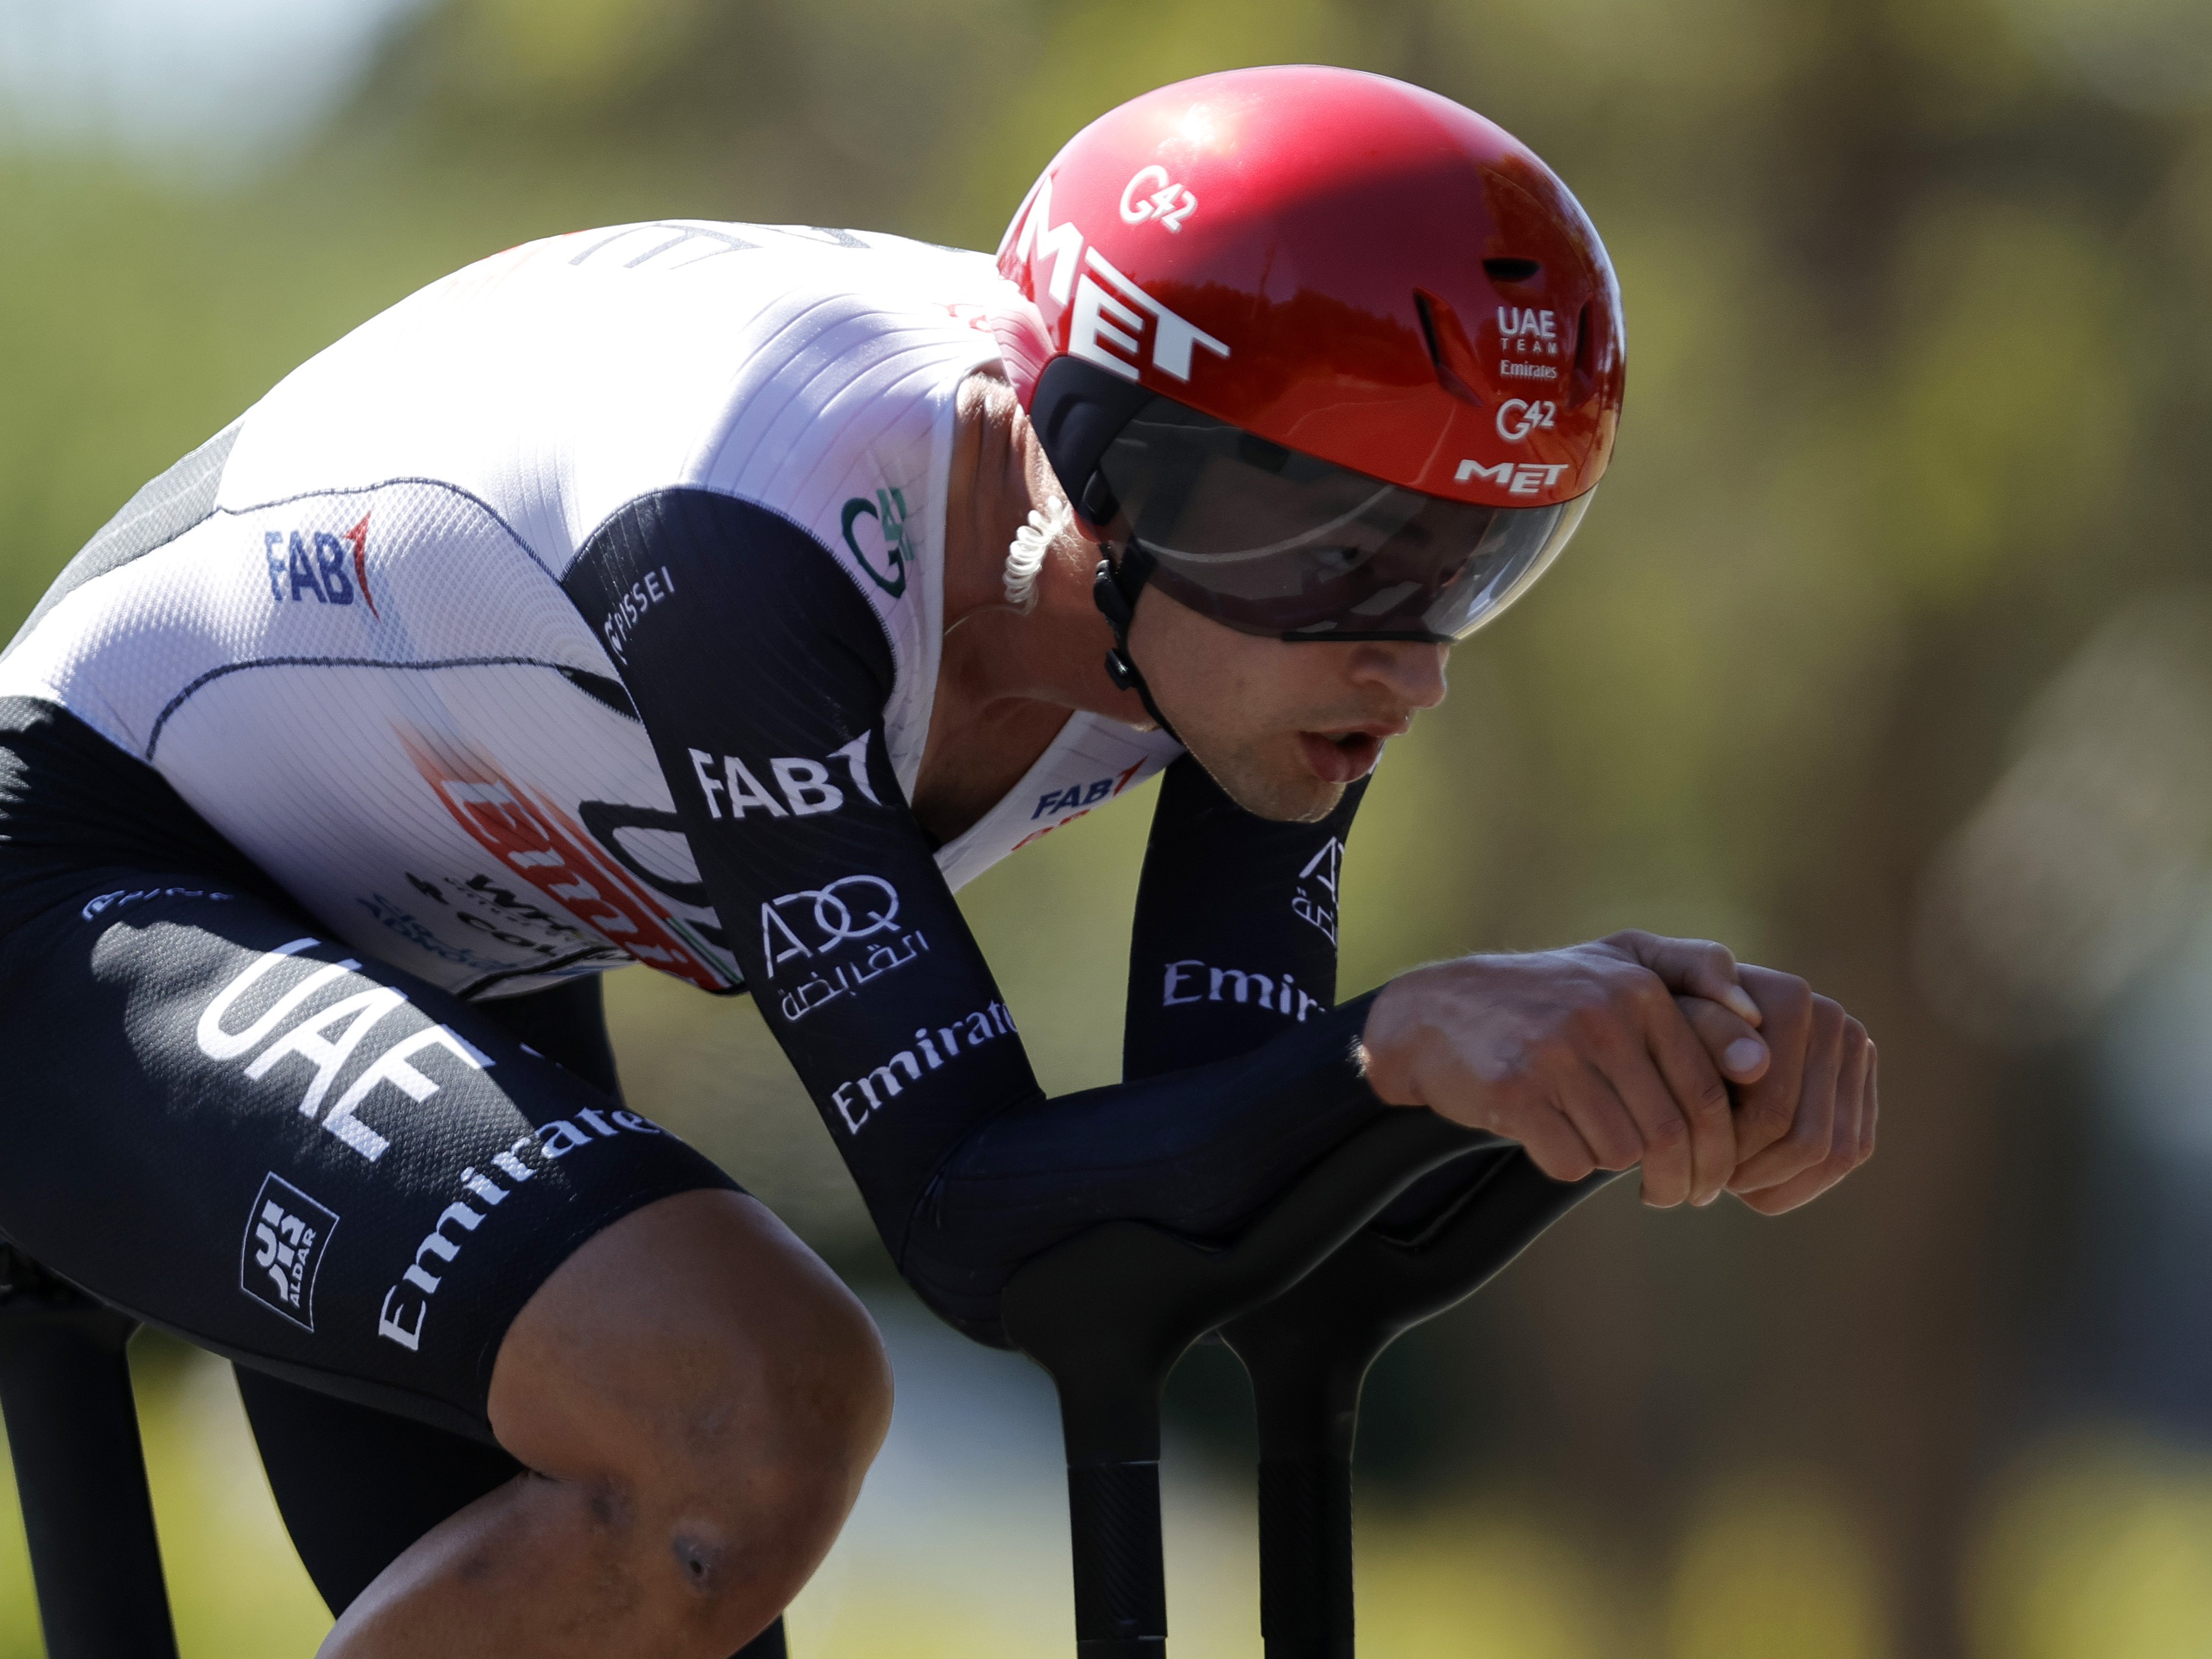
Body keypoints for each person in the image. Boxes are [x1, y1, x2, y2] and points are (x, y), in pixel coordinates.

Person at [0, 64, 1874, 1659]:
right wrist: (1397, 1047)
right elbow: (977, 1212)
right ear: (1098, 464)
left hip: (433, 930)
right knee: (747, 1408)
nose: (1415, 659)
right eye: (1362, 556)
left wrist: (1605, 1071)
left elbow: (1196, 1177)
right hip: (86, 869)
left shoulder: (1238, 615)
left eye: (1483, 561)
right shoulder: (754, 531)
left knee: (701, 1519)